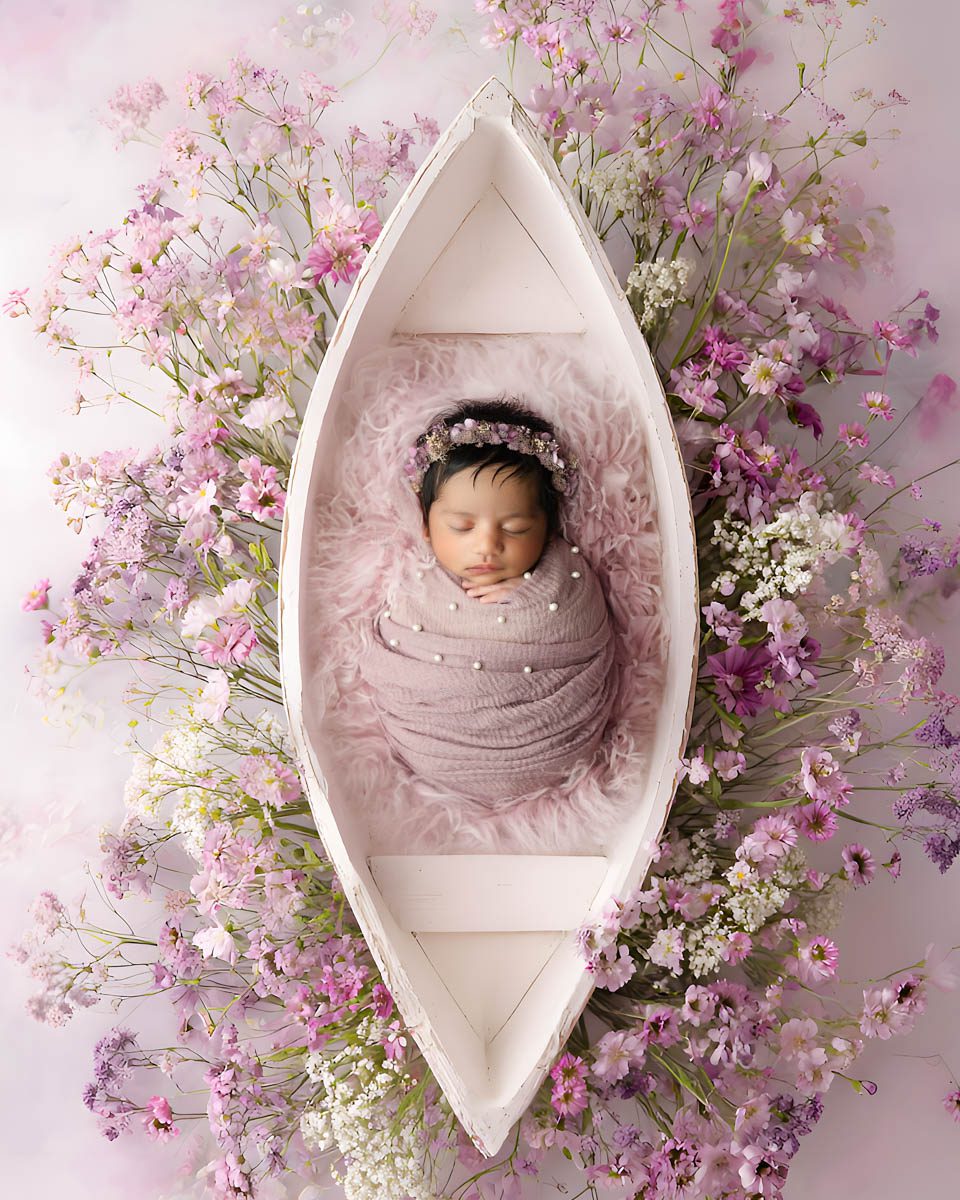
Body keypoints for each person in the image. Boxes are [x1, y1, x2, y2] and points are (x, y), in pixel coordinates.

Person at [359, 397, 618, 806]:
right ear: (426, 526)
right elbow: (393, 662)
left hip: (553, 749)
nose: (487, 546)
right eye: (461, 526)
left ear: (549, 530)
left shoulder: (568, 579)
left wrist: (534, 595)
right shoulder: (414, 589)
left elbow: (582, 623)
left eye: (515, 528)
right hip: (434, 749)